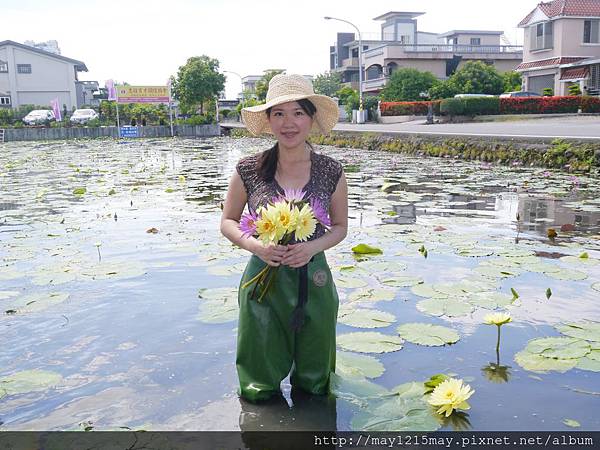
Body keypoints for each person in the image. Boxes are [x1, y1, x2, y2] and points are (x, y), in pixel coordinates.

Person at [220, 73, 348, 403]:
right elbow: (229, 221)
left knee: (315, 383)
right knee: (258, 386)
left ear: (311, 118)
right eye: (278, 113)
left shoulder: (331, 170)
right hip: (263, 280)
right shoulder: (248, 169)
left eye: (297, 113)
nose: (288, 123)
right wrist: (254, 245)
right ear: (268, 120)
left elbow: (339, 227)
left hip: (314, 281)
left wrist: (312, 247)